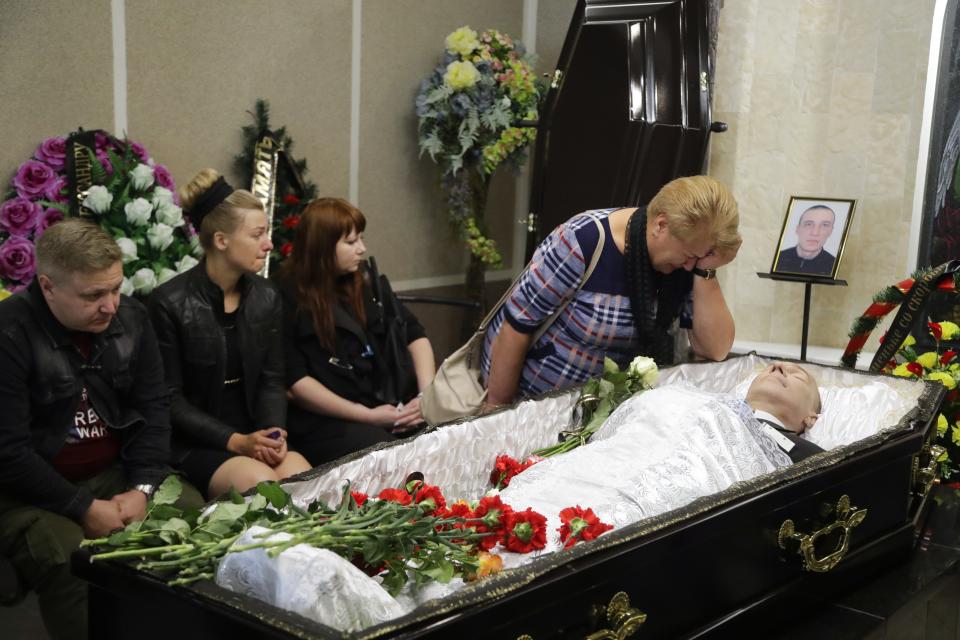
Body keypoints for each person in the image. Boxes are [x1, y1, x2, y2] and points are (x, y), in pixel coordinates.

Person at [0, 219, 197, 640]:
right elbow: (9, 452)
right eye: (93, 295)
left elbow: (153, 408)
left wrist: (143, 487)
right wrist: (83, 508)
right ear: (48, 286)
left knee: (191, 512)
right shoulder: (9, 333)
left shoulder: (132, 318)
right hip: (26, 492)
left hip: (114, 473)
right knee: (72, 559)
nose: (110, 306)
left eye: (115, 288)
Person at [499, 361, 824, 557]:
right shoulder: (694, 398)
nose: (780, 368)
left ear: (810, 417)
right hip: (611, 466)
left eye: (798, 376)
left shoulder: (804, 454)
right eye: (772, 367)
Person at [481, 175, 741, 408]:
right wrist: (496, 412)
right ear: (661, 225)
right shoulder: (584, 240)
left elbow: (716, 350)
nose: (688, 265)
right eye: (688, 256)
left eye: (698, 259)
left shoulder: (688, 264)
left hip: (607, 414)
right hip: (533, 406)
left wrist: (706, 271)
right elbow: (516, 326)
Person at [149, 169, 311, 499]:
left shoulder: (266, 296)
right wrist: (237, 441)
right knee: (268, 491)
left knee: (309, 485)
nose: (269, 244)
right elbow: (168, 399)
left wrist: (275, 435)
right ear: (221, 241)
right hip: (195, 442)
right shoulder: (168, 303)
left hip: (254, 433)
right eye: (257, 234)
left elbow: (271, 377)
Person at [279, 197, 436, 465]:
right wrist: (367, 415)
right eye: (351, 242)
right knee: (389, 456)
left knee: (437, 438)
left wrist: (427, 397)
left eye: (361, 239)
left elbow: (415, 333)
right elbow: (295, 383)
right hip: (327, 421)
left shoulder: (365, 281)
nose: (362, 249)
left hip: (385, 402)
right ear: (322, 247)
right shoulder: (285, 294)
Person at [774, 204, 837, 275]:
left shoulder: (834, 266)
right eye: (808, 224)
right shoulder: (778, 259)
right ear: (798, 229)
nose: (815, 233)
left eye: (824, 225)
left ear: (830, 231)